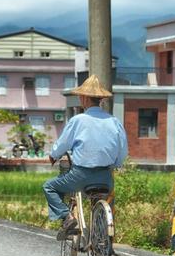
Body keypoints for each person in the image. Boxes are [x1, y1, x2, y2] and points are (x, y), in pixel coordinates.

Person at [42, 75, 128, 240]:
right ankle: (102, 244)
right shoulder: (114, 121)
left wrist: (54, 155)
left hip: (81, 176)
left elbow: (62, 144)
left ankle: (67, 218)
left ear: (84, 98)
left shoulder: (78, 120)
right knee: (101, 201)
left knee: (50, 187)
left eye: (81, 97)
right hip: (105, 177)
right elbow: (122, 150)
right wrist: (116, 164)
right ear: (101, 99)